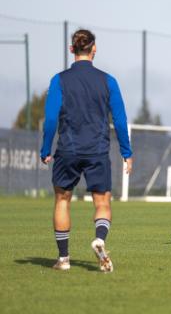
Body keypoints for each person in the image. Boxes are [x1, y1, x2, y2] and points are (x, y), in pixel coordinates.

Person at [40, 29, 133, 272]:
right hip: (97, 150)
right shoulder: (108, 80)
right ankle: (100, 240)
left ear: (72, 49)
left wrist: (45, 148)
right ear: (94, 49)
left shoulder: (59, 80)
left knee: (62, 200)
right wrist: (127, 152)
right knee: (102, 202)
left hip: (68, 150)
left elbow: (50, 119)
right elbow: (121, 120)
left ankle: (63, 259)